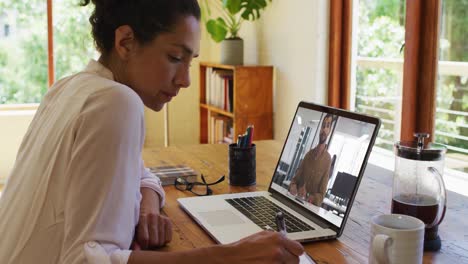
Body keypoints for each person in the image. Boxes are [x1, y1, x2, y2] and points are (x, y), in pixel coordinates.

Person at [0, 1, 304, 263]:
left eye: (190, 61)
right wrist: (233, 256)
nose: (185, 80)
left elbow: (140, 171)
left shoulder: (69, 87)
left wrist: (147, 206)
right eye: (174, 58)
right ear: (126, 42)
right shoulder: (117, 102)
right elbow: (85, 260)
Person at [288, 114, 335, 206]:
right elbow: (294, 181)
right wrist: (293, 187)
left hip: (308, 209)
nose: (324, 129)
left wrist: (309, 196)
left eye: (327, 126)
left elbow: (321, 197)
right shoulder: (308, 154)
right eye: (323, 126)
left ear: (330, 131)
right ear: (320, 129)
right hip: (295, 202)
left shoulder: (328, 160)